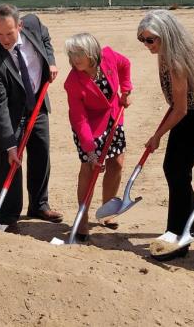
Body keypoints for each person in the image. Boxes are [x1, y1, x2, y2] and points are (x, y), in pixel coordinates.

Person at [137, 9, 194, 261]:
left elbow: (181, 108)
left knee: (176, 171)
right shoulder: (165, 54)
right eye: (143, 40)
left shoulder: (175, 62)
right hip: (189, 113)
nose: (147, 45)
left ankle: (178, 236)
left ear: (166, 36)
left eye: (151, 39)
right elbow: (178, 104)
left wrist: (157, 135)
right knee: (176, 171)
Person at [0, 3, 63, 233]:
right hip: (12, 111)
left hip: (37, 103)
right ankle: (8, 216)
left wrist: (51, 61)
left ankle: (39, 205)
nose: (5, 39)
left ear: (20, 25)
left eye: (9, 33)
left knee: (41, 152)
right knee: (11, 162)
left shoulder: (34, 24)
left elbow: (46, 39)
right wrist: (9, 145)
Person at [63, 33, 132, 242]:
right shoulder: (73, 82)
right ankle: (82, 218)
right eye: (72, 54)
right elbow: (79, 118)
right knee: (89, 168)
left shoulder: (108, 56)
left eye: (79, 54)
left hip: (112, 115)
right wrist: (90, 151)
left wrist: (126, 90)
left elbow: (125, 64)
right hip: (88, 126)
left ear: (92, 53)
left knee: (117, 163)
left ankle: (107, 210)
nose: (75, 59)